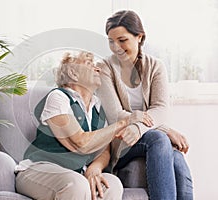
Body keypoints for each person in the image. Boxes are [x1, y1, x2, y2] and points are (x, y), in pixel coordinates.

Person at [14, 51, 152, 200]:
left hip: (76, 174)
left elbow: (104, 148)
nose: (97, 68)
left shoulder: (97, 106)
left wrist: (95, 167)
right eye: (89, 64)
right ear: (73, 73)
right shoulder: (59, 97)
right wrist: (126, 121)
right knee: (77, 185)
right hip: (39, 170)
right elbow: (81, 142)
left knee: (112, 184)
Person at [97, 10, 193, 200]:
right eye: (111, 41)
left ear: (139, 37)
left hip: (142, 133)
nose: (116, 47)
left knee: (178, 161)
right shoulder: (105, 68)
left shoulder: (156, 66)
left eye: (122, 40)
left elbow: (161, 108)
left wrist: (141, 128)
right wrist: (163, 130)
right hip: (119, 139)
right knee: (158, 139)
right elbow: (115, 113)